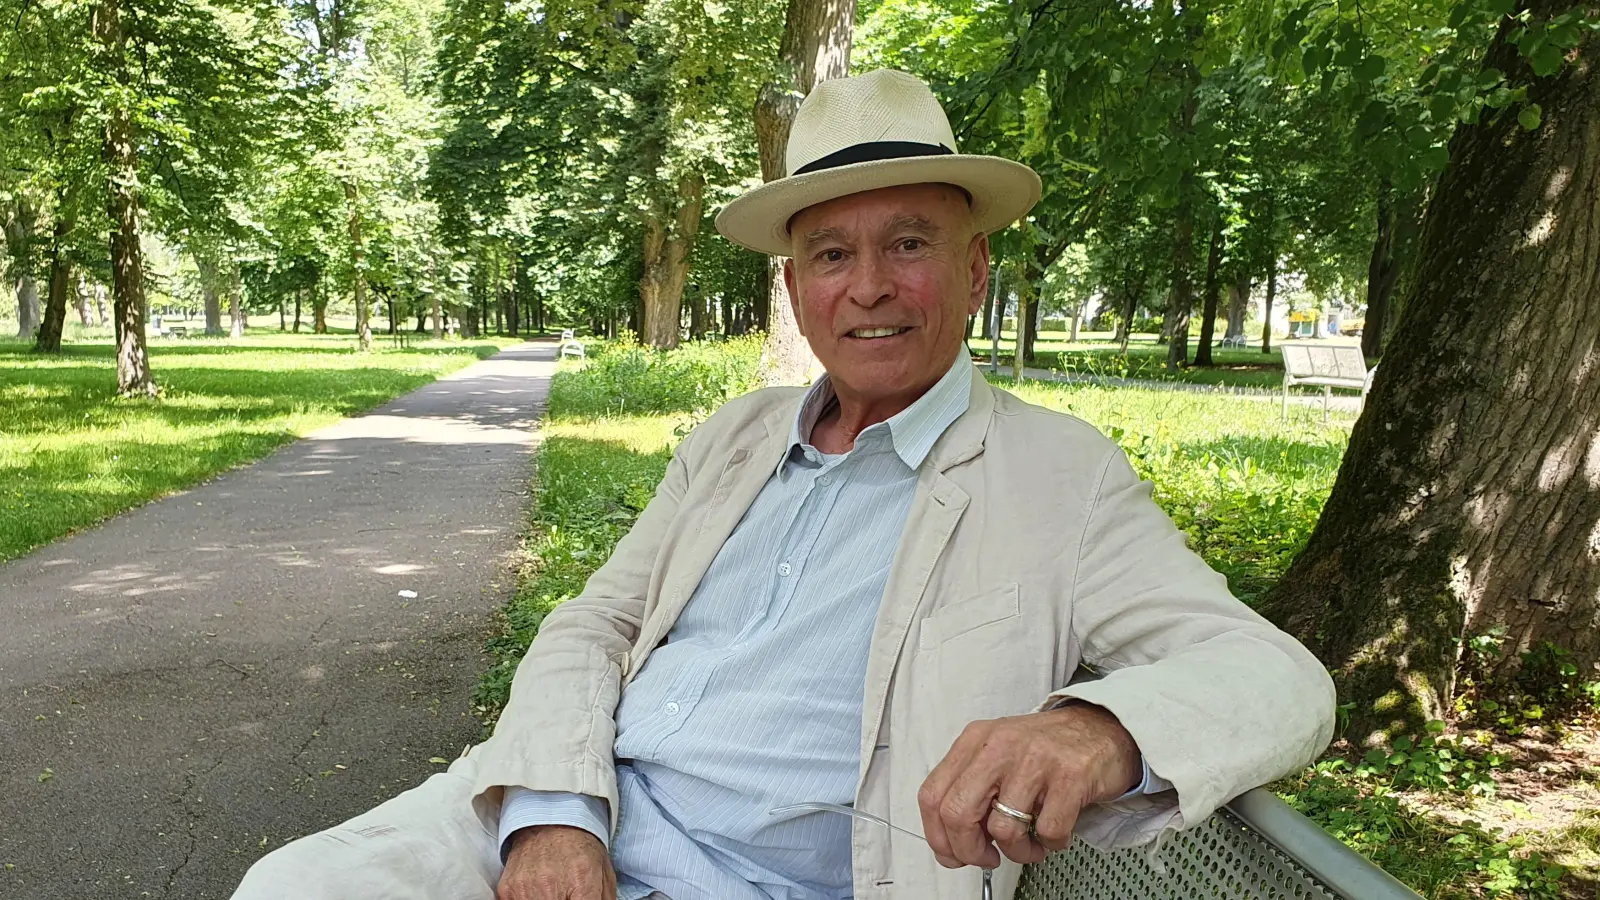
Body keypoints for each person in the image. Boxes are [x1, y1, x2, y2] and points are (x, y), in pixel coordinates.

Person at [232, 69, 1334, 900]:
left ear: (974, 269)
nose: (869, 289)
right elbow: (593, 625)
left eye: (909, 242)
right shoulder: (736, 436)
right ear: (798, 286)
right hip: (567, 811)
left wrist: (1096, 732)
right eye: (829, 256)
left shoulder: (1059, 475)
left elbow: (1277, 678)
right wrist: (554, 814)